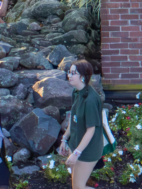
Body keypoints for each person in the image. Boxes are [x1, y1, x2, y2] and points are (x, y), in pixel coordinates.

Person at [60, 60, 105, 189]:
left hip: (87, 151)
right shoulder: (76, 92)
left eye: (73, 73)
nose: (69, 75)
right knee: (76, 185)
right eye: (69, 72)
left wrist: (76, 153)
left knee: (78, 187)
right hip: (75, 144)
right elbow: (73, 119)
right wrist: (64, 139)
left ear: (83, 76)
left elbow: (91, 131)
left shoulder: (91, 100)